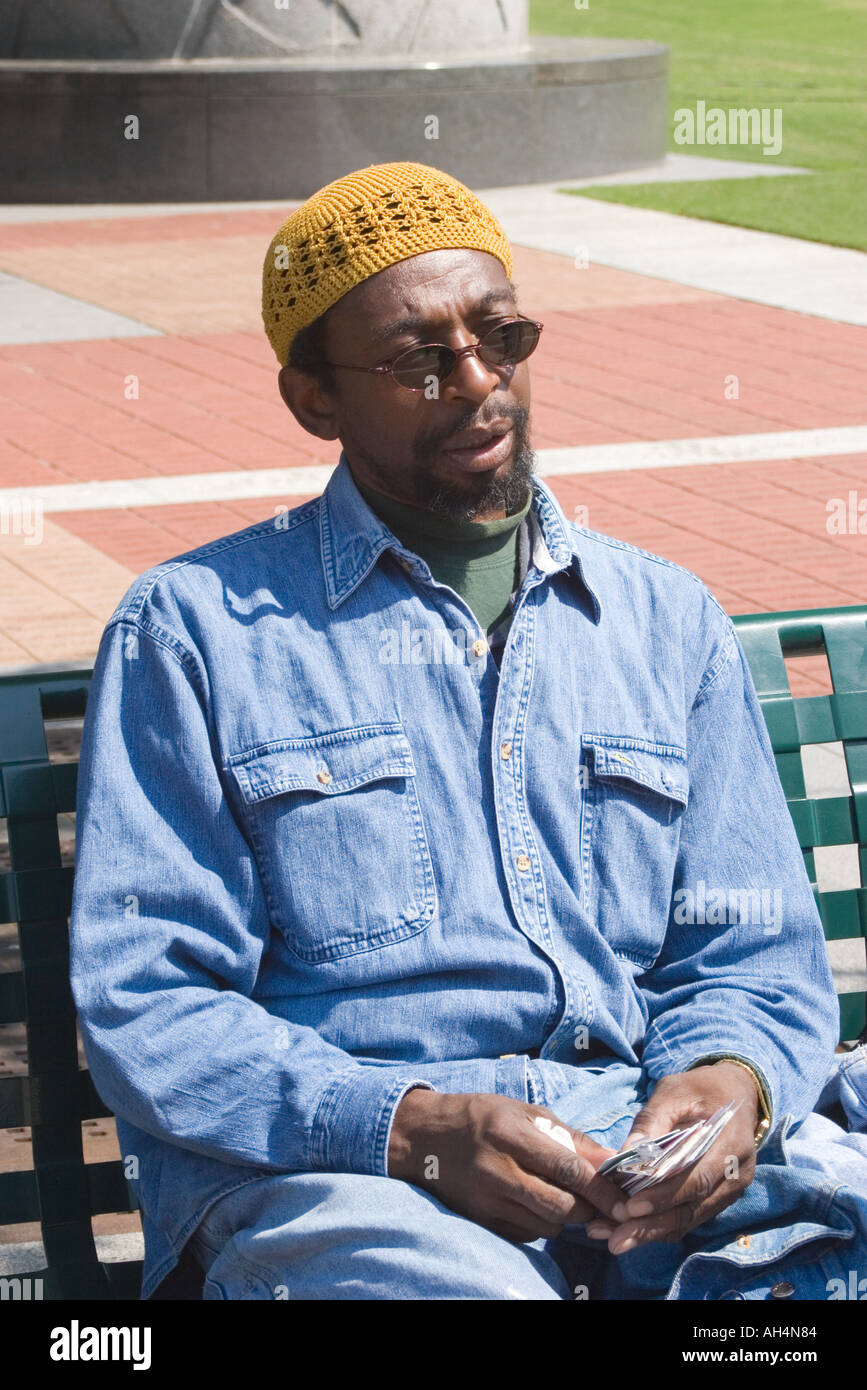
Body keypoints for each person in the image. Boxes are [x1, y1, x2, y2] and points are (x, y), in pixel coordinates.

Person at [69, 161, 866, 1301]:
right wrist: (415, 1128)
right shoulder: (197, 632)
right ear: (314, 401)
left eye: (502, 336)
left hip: (637, 1168)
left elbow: (747, 952)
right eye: (419, 361)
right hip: (357, 1186)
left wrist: (729, 1081)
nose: (480, 383)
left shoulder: (663, 618)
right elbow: (149, 1002)